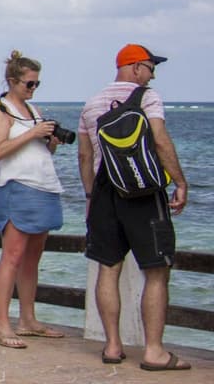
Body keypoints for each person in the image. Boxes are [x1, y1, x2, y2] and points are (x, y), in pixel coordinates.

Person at [78, 44, 190, 371]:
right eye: (151, 68)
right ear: (136, 68)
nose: (153, 75)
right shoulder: (147, 98)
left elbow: (85, 156)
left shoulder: (91, 104)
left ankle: (112, 345)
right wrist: (180, 182)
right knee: (156, 271)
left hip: (103, 192)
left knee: (107, 268)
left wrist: (89, 197)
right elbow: (160, 140)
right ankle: (154, 351)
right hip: (143, 192)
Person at [0, 51, 65, 349]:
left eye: (36, 84)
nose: (32, 89)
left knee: (32, 259)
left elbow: (38, 151)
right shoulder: (0, 110)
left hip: (43, 185)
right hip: (17, 187)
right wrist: (33, 133)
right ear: (12, 81)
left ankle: (27, 319)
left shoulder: (32, 109)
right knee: (12, 256)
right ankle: (1, 325)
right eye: (29, 84)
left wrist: (48, 140)